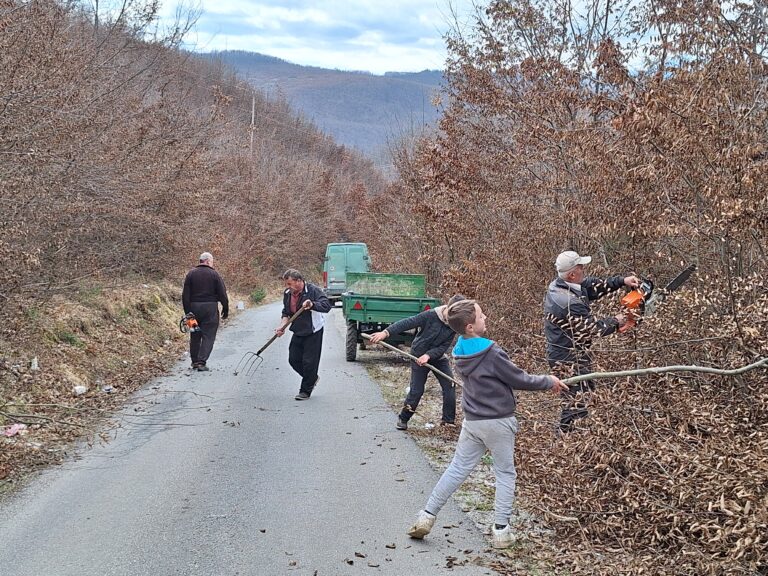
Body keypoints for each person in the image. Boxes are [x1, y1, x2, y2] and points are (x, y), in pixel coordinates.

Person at [407, 299, 567, 548]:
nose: (486, 318)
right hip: (499, 422)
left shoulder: (459, 349)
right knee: (505, 473)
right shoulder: (491, 351)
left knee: (457, 468)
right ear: (470, 326)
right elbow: (518, 378)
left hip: (473, 422)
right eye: (481, 316)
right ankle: (501, 531)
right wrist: (548, 381)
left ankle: (426, 516)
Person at [543, 250, 640, 431]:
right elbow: (592, 330)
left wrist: (621, 281)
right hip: (568, 358)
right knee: (576, 403)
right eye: (580, 267)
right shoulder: (568, 302)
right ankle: (566, 442)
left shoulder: (562, 285)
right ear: (572, 274)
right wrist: (616, 320)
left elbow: (592, 285)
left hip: (569, 353)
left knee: (581, 397)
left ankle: (573, 437)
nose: (584, 270)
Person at [369, 294, 465, 430]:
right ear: (448, 308)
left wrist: (429, 355)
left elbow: (444, 346)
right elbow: (408, 322)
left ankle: (448, 422)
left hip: (437, 356)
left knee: (449, 385)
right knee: (417, 390)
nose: (452, 321)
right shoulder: (431, 315)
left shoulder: (455, 324)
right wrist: (385, 333)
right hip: (418, 355)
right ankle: (403, 418)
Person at [275, 269, 332, 401]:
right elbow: (286, 312)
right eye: (286, 284)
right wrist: (282, 326)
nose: (287, 287)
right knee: (293, 359)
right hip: (298, 330)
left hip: (313, 330)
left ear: (299, 281)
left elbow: (326, 305)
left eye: (289, 284)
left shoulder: (313, 290)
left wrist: (312, 304)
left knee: (309, 362)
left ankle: (305, 391)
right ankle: (312, 378)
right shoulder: (288, 294)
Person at [182, 252, 229, 371]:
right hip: (210, 309)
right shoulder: (214, 274)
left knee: (194, 335)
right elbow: (222, 294)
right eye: (212, 262)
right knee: (208, 335)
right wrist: (225, 308)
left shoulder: (190, 274)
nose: (212, 264)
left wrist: (187, 312)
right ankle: (202, 362)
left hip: (192, 309)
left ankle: (194, 361)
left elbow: (185, 295)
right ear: (208, 261)